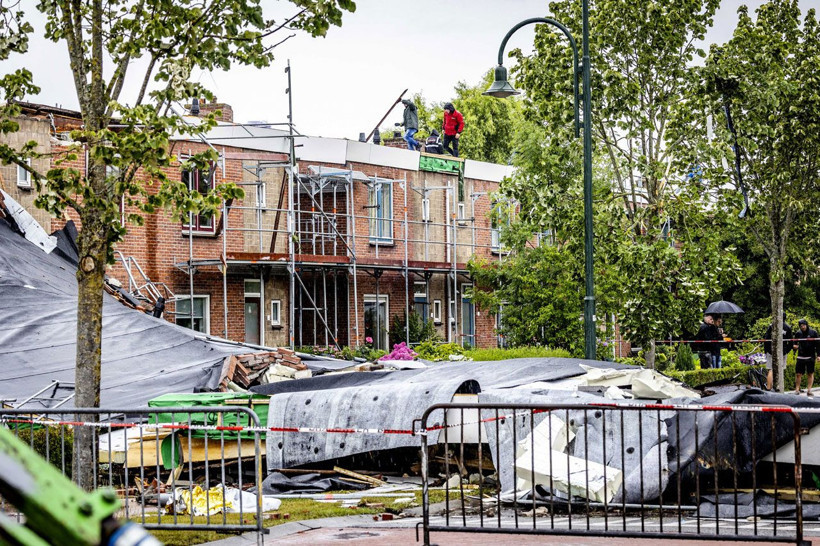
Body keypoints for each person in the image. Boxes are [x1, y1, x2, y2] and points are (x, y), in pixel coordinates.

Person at [764, 314, 793, 391]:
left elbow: (766, 339)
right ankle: (779, 387)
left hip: (771, 351)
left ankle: (769, 388)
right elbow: (791, 342)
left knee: (770, 369)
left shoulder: (772, 326)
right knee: (781, 369)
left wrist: (766, 351)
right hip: (782, 351)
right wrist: (786, 351)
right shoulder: (788, 327)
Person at [793, 319, 818, 396]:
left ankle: (809, 390)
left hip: (810, 356)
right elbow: (794, 343)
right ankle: (797, 389)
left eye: (803, 325)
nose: (802, 327)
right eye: (801, 326)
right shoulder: (798, 333)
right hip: (801, 356)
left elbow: (818, 344)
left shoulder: (813, 333)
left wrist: (819, 355)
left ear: (806, 325)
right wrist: (794, 346)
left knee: (810, 373)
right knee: (798, 374)